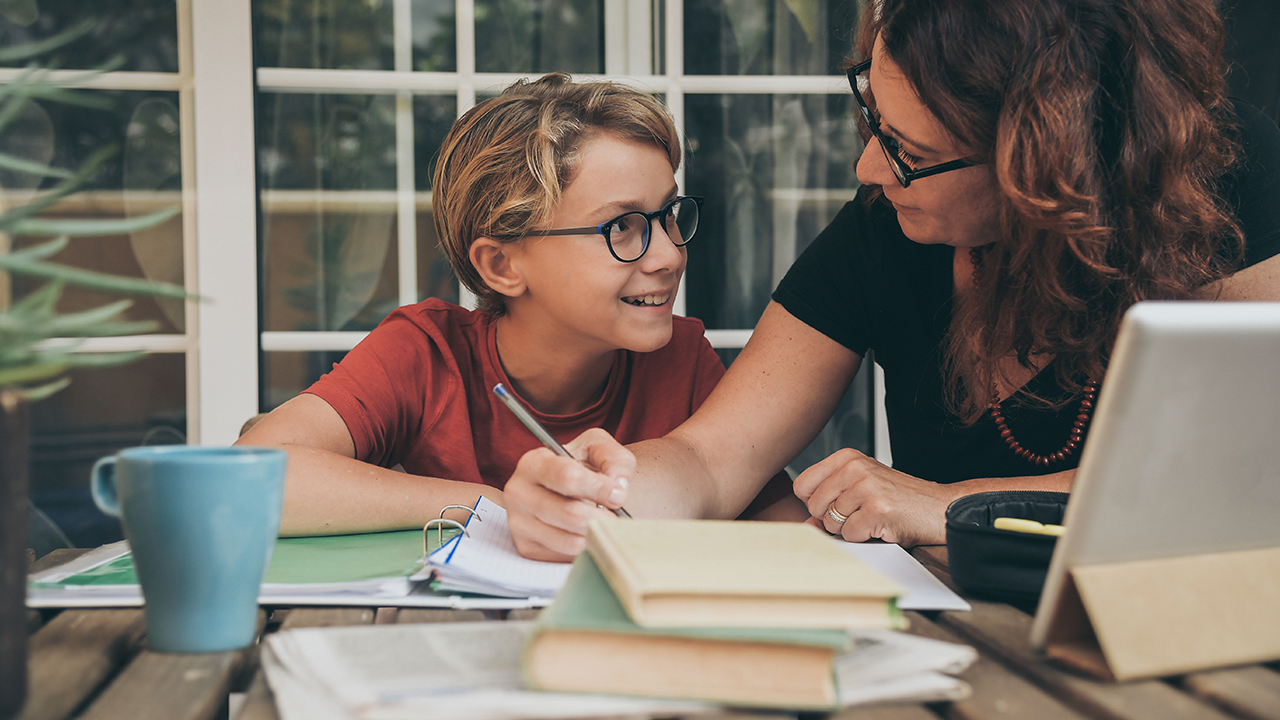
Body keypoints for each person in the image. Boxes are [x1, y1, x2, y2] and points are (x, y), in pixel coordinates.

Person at [503, 0, 1280, 561]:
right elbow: (712, 460)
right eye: (873, 118)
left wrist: (949, 505)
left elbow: (1235, 481)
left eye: (907, 148)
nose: (869, 168)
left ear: (1043, 163)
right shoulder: (890, 221)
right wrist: (602, 498)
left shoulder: (1230, 185)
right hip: (961, 646)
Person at [237, 73, 799, 536]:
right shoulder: (425, 354)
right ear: (501, 265)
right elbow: (249, 478)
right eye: (623, 227)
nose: (668, 254)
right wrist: (494, 506)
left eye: (669, 216)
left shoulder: (682, 361)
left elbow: (785, 529)